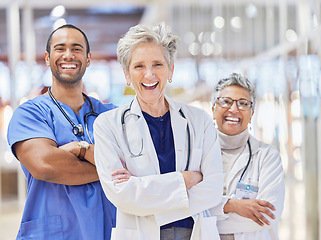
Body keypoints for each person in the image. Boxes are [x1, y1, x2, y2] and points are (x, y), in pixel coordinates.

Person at [93, 23, 224, 240]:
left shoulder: (199, 121)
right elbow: (121, 194)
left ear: (171, 69)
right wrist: (187, 179)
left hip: (195, 232)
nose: (149, 74)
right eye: (139, 66)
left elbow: (213, 190)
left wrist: (142, 189)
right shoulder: (108, 125)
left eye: (158, 64)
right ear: (126, 74)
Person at [7, 24, 116, 240]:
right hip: (53, 233)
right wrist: (108, 168)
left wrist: (75, 151)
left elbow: (134, 165)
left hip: (107, 230)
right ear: (47, 58)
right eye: (60, 48)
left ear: (88, 58)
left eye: (76, 49)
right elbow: (45, 164)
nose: (69, 55)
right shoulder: (29, 114)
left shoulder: (110, 114)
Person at [209, 73, 285, 240]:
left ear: (251, 114)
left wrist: (212, 212)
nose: (234, 109)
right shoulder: (196, 155)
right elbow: (190, 209)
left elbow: (268, 216)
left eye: (243, 104)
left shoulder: (267, 157)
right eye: (226, 102)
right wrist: (232, 205)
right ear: (213, 110)